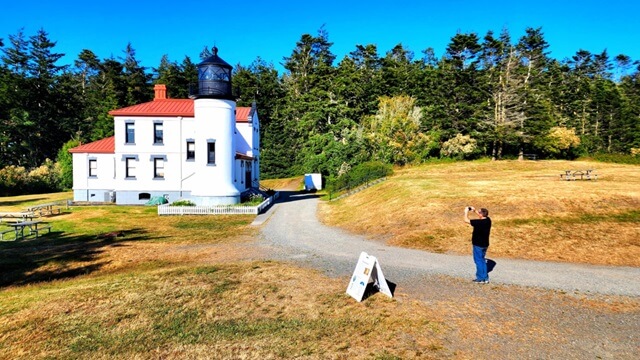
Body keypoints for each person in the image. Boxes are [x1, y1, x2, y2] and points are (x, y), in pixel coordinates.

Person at [464, 206, 492, 284]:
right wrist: (475, 210)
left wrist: (466, 211)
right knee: (482, 260)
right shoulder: (488, 220)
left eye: (479, 212)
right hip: (485, 244)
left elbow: (466, 220)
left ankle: (480, 278)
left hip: (478, 244)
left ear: (480, 215)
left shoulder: (478, 223)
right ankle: (485, 278)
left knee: (478, 261)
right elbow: (482, 215)